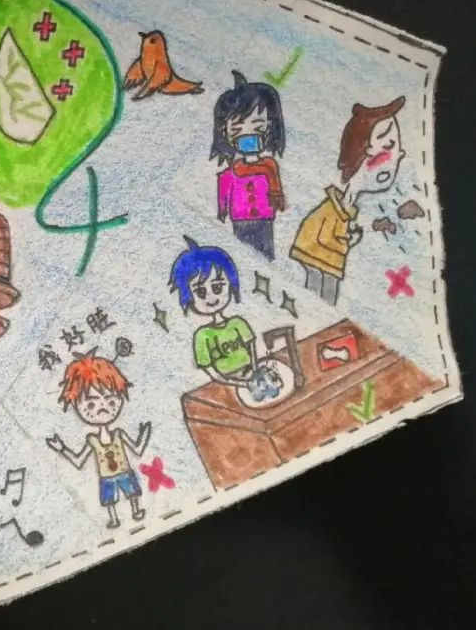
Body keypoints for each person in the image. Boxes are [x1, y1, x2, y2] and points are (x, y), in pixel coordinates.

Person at [290, 96, 406, 305]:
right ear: (366, 150)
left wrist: (348, 238)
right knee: (322, 289)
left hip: (324, 255)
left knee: (325, 289)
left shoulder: (345, 206)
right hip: (318, 254)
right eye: (389, 145)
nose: (399, 155)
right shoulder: (335, 208)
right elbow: (325, 234)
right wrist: (348, 240)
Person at [168, 236, 282, 402]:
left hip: (252, 377)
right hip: (229, 387)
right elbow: (213, 374)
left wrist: (255, 375)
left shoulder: (238, 323)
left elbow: (252, 353)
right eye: (200, 292)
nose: (211, 298)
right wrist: (240, 384)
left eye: (217, 287)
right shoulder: (202, 336)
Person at [46, 354, 151, 528]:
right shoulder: (92, 440)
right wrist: (62, 449)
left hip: (124, 472)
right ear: (76, 405)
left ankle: (136, 510)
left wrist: (144, 434)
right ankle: (114, 519)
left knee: (132, 493)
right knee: (109, 500)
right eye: (91, 405)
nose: (102, 407)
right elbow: (79, 461)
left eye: (110, 402)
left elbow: (137, 449)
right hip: (106, 478)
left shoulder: (118, 433)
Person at [211, 71, 287, 260]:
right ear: (224, 133)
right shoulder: (231, 171)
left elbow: (275, 184)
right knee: (243, 253)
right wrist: (222, 210)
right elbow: (224, 187)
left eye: (258, 127)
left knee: (266, 253)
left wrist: (277, 198)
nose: (248, 136)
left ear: (271, 126)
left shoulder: (270, 166)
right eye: (237, 130)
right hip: (240, 218)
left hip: (264, 217)